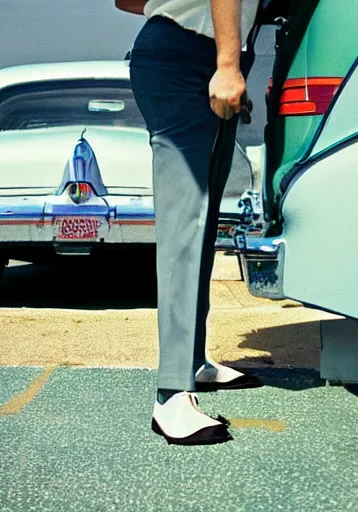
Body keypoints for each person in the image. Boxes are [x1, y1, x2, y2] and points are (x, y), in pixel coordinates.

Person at [116, 0, 263, 445]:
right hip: (193, 55)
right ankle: (171, 395)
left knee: (200, 220)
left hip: (181, 48)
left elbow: (128, 1)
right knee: (186, 220)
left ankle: (193, 361)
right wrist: (227, 63)